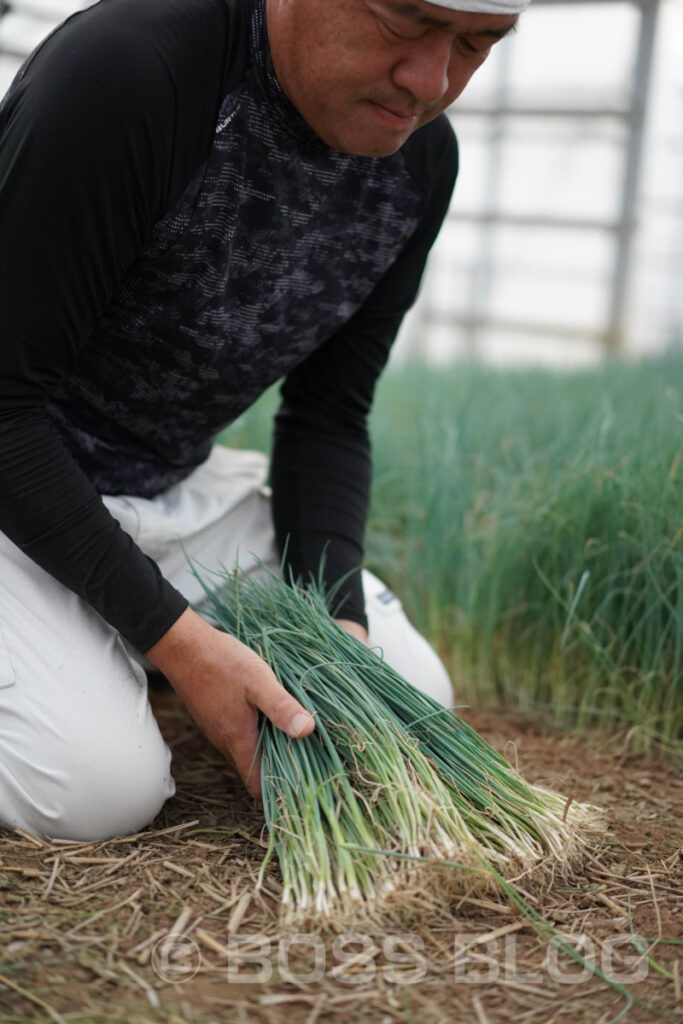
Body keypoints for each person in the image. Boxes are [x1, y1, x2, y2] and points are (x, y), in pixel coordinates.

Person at [0, 0, 524, 841]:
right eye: (404, 22)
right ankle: (115, 647)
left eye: (476, 44)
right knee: (96, 794)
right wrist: (176, 640)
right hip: (13, 488)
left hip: (168, 487)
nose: (431, 82)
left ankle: (107, 641)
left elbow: (327, 416)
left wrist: (337, 626)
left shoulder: (418, 159)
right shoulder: (129, 74)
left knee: (409, 695)